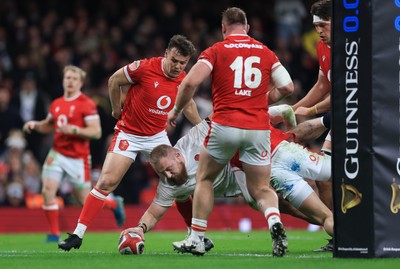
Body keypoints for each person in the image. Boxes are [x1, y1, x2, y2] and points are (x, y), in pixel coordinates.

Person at [168, 7, 294, 257]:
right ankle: (274, 221)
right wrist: (263, 99)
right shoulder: (266, 51)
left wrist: (175, 111)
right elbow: (288, 87)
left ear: (223, 28)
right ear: (247, 28)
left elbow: (190, 82)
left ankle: (197, 238)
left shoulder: (216, 50)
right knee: (261, 188)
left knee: (204, 178)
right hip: (258, 129)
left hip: (225, 125)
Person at [120, 105, 333, 252]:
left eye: (168, 169)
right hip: (247, 166)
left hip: (243, 162)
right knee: (280, 201)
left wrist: (255, 108)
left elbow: (216, 117)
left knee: (262, 193)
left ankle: (327, 220)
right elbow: (154, 212)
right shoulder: (169, 183)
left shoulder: (193, 139)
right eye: (162, 174)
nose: (167, 175)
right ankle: (329, 222)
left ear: (177, 155)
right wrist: (140, 228)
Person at [58, 34, 199, 251]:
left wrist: (202, 127)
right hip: (129, 134)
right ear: (166, 54)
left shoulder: (183, 80)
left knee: (179, 182)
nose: (177, 67)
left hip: (157, 137)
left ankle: (195, 236)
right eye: (174, 60)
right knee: (106, 182)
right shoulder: (144, 68)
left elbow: (187, 104)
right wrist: (116, 109)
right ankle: (78, 234)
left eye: (182, 63)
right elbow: (114, 80)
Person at [23, 65, 125, 243]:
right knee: (47, 190)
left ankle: (114, 203)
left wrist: (74, 129)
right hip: (57, 153)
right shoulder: (57, 103)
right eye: (67, 78)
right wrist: (35, 125)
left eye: (74, 79)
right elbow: (49, 124)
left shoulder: (86, 104)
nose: (70, 81)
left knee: (84, 200)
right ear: (63, 80)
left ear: (80, 82)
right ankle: (54, 234)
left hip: (78, 158)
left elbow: (96, 132)